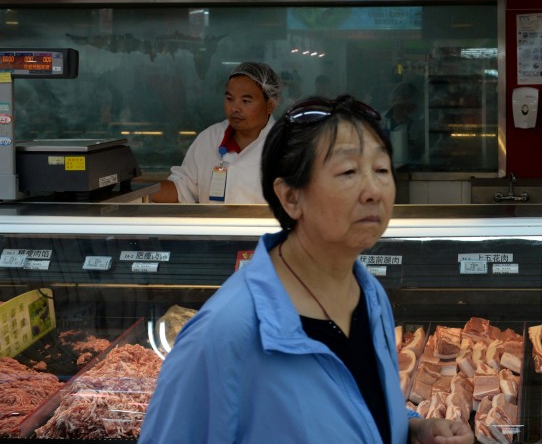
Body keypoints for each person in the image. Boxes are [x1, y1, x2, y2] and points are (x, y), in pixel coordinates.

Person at [138, 95, 474, 444]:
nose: (374, 191)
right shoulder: (225, 333)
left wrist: (412, 429)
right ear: (290, 197)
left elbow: (356, 402)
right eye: (348, 172)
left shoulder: (370, 295)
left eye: (381, 170)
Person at [150, 62, 280, 204]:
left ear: (269, 106)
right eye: (229, 99)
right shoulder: (209, 138)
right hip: (213, 220)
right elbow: (181, 188)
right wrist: (138, 192)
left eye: (246, 101)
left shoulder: (287, 146)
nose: (235, 108)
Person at [382, 81, 425, 166]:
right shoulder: (381, 120)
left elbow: (420, 151)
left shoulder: (417, 125)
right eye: (400, 106)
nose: (404, 109)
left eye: (407, 105)